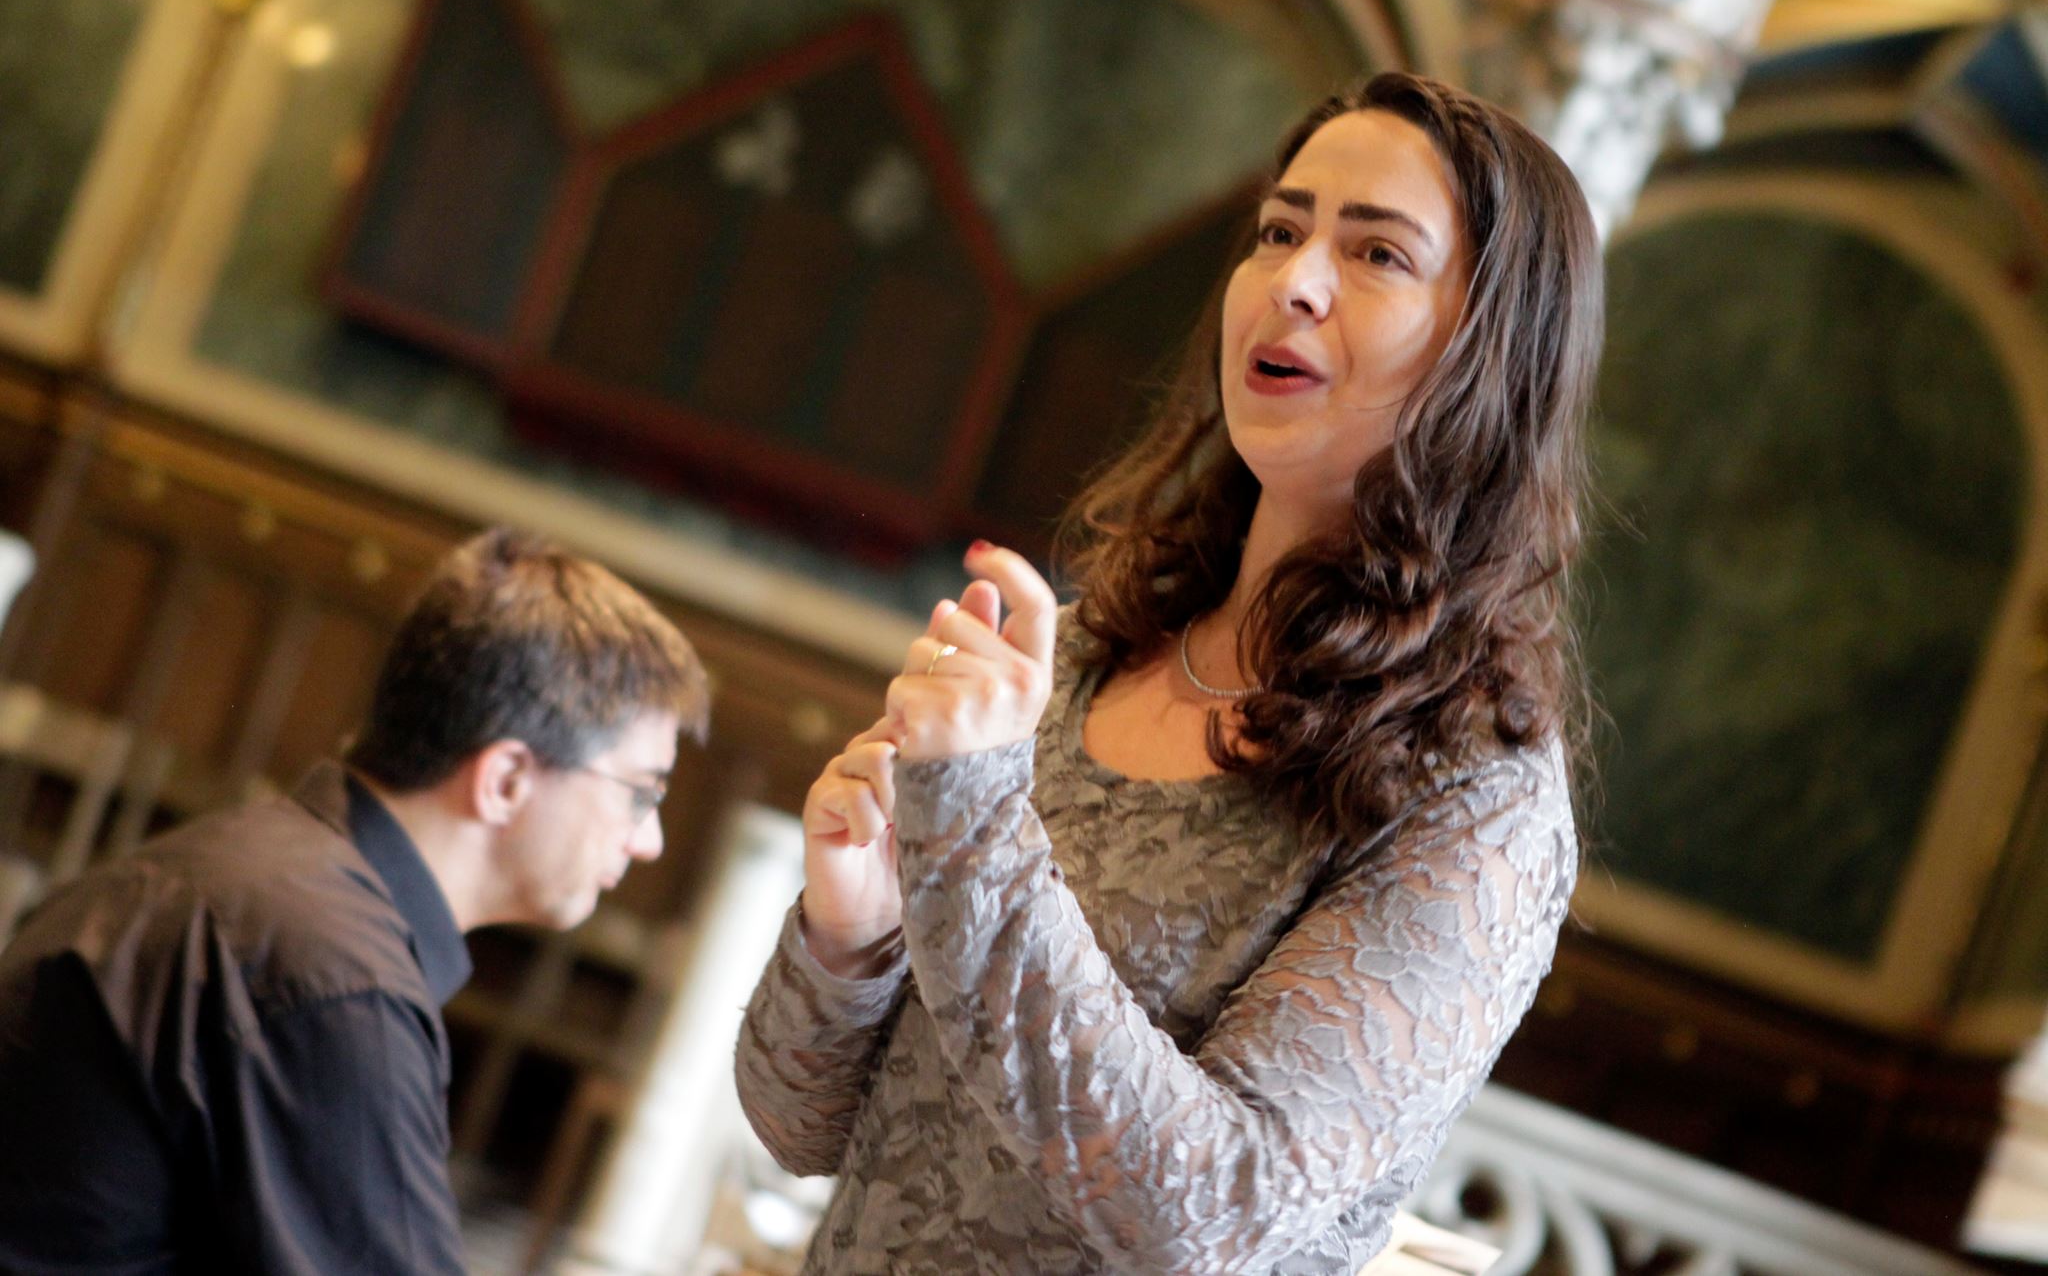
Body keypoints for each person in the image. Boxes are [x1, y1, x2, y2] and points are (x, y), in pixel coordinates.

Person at [736, 70, 1601, 1274]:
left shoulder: (1477, 801)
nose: (1293, 280)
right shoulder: (1092, 649)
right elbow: (798, 1126)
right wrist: (850, 932)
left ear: (1490, 356)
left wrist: (976, 824)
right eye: (1280, 231)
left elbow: (1211, 1217)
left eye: (1376, 256)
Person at [0, 528, 708, 1274]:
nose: (649, 840)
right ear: (505, 780)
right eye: (639, 794)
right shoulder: (332, 967)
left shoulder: (260, 874)